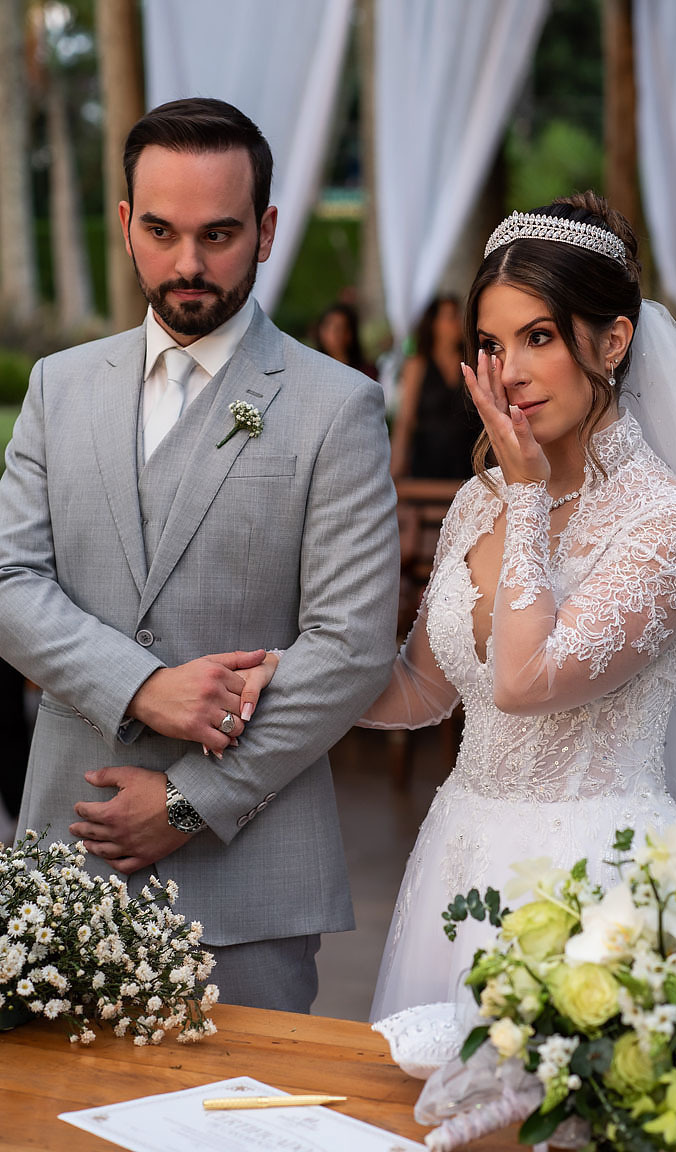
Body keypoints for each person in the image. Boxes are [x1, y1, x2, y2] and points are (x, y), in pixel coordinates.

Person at [246, 192, 676, 1019]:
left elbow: (523, 678)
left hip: (602, 889)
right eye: (490, 344)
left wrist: (532, 498)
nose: (506, 372)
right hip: (458, 860)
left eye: (537, 337)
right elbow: (427, 692)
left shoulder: (671, 523)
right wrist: (288, 675)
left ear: (612, 341)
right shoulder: (479, 502)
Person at [0, 98, 400, 1012]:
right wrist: (141, 687)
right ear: (125, 226)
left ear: (264, 230)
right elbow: (6, 579)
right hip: (64, 859)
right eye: (162, 230)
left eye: (218, 234)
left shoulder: (335, 407)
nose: (188, 263)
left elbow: (349, 647)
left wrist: (187, 804)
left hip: (250, 874)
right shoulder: (58, 387)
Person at [389, 294, 481, 481]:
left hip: (468, 464)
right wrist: (394, 470)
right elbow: (406, 419)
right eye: (451, 316)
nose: (458, 321)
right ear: (434, 324)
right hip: (428, 463)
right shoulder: (417, 364)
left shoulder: (473, 363)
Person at [315, 301, 376, 378]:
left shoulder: (366, 373)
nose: (333, 334)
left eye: (339, 329)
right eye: (328, 327)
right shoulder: (315, 371)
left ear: (350, 334)